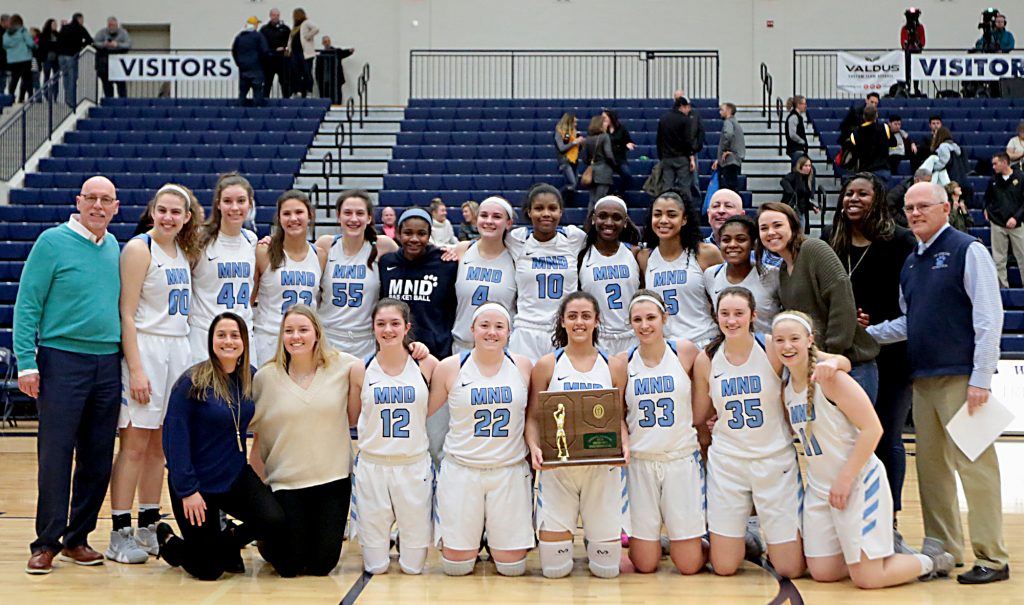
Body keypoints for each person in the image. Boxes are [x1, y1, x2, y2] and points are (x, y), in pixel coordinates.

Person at [867, 182, 1010, 585]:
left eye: (923, 206)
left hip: (964, 378)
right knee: (932, 471)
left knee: (977, 468)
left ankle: (993, 557)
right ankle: (945, 549)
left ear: (946, 208)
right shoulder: (912, 261)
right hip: (923, 379)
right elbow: (909, 323)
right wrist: (867, 336)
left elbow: (988, 317)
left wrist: (981, 377)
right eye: (909, 207)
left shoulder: (970, 250)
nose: (914, 213)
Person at [772, 311, 955, 588]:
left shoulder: (831, 379)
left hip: (858, 481)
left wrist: (845, 479)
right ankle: (869, 554)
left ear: (810, 340)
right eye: (780, 340)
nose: (787, 346)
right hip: (820, 489)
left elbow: (873, 429)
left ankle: (930, 560)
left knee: (868, 580)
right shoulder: (787, 386)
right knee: (824, 572)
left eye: (794, 339)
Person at [15, 176, 123, 575]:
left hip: (108, 362)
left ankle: (78, 537)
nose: (98, 205)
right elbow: (28, 303)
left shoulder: (114, 246)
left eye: (105, 200)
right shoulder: (51, 242)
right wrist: (27, 361)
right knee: (56, 455)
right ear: (79, 202)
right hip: (61, 359)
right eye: (91, 198)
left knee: (97, 457)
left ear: (116, 207)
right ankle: (46, 542)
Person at [692, 287, 827, 578]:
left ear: (753, 315)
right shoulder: (707, 359)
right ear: (716, 317)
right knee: (724, 568)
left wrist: (841, 362)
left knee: (790, 569)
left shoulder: (771, 348)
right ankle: (743, 539)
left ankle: (761, 538)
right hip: (728, 463)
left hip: (774, 460)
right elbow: (698, 415)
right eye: (724, 314)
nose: (731, 320)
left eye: (739, 313)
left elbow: (820, 359)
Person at [106, 185, 201, 565]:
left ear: (187, 217)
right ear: (153, 211)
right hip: (146, 348)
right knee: (133, 446)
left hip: (176, 350)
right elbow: (126, 313)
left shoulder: (183, 252)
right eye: (162, 210)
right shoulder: (138, 249)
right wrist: (137, 368)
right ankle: (118, 531)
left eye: (176, 212)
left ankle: (148, 522)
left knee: (162, 447)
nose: (168, 217)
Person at [158, 312, 287, 581]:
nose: (228, 341)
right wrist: (187, 490)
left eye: (234, 335)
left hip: (234, 477)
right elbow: (174, 440)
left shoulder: (249, 377)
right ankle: (170, 542)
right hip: (197, 485)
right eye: (221, 335)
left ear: (244, 342)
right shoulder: (192, 383)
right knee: (208, 570)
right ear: (211, 341)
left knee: (273, 520)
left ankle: (226, 542)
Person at [827, 174, 917, 545]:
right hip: (849, 359)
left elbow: (909, 307)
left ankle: (890, 518)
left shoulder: (900, 241)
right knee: (847, 440)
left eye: (862, 193)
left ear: (878, 198)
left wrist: (871, 328)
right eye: (848, 193)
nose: (853, 199)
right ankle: (849, 514)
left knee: (887, 438)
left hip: (892, 356)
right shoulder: (832, 244)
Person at [526, 291, 630, 579]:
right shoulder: (547, 364)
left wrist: (625, 443)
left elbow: (619, 418)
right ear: (562, 322)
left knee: (607, 571)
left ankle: (595, 536)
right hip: (558, 472)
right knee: (555, 571)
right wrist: (534, 446)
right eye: (572, 316)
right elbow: (533, 417)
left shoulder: (614, 366)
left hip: (602, 470)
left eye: (586, 316)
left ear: (597, 321)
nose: (579, 322)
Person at [248, 305, 358, 577]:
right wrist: (257, 498)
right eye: (289, 331)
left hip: (332, 481)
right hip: (286, 483)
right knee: (289, 565)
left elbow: (357, 414)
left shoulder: (345, 367)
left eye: (303, 330)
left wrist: (420, 353)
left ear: (317, 334)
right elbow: (258, 437)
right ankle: (267, 537)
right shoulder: (265, 378)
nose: (296, 336)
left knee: (322, 565)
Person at [429, 302, 534, 577]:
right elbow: (423, 411)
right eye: (484, 326)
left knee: (512, 568)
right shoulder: (450, 367)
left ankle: (493, 537)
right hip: (462, 470)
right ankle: (475, 539)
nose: (491, 332)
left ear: (509, 331)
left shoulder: (523, 366)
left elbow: (534, 416)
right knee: (456, 567)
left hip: (508, 471)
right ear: (472, 329)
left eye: (499, 326)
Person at [346, 299, 437, 575]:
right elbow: (352, 417)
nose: (388, 330)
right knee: (376, 567)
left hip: (413, 465)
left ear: (407, 327)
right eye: (381, 324)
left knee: (413, 568)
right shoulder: (360, 369)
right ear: (372, 328)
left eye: (395, 323)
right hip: (373, 466)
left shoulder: (427, 364)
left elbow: (431, 410)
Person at [757, 201, 880, 401]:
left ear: (793, 226)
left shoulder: (814, 249)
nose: (771, 232)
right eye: (764, 228)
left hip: (850, 364)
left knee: (857, 431)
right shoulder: (783, 271)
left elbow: (841, 300)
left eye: (777, 225)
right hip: (819, 365)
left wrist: (832, 353)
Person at [619, 290, 705, 575]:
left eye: (651, 318)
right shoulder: (622, 362)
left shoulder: (685, 351)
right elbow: (618, 415)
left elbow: (705, 398)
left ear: (664, 318)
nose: (645, 325)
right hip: (641, 463)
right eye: (638, 320)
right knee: (645, 564)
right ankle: (660, 538)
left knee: (690, 565)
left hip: (680, 459)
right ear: (630, 323)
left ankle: (719, 536)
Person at [506, 184, 587, 360]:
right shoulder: (517, 240)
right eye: (538, 208)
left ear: (561, 212)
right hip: (527, 329)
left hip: (564, 328)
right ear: (528, 212)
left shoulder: (574, 238)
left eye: (552, 208)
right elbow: (486, 241)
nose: (546, 214)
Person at [316, 190, 398, 358]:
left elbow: (414, 259)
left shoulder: (383, 245)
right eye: (347, 213)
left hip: (367, 341)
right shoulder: (326, 245)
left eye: (360, 213)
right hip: (328, 339)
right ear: (338, 216)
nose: (353, 219)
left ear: (369, 218)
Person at [189, 174, 258, 363]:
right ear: (218, 204)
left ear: (250, 203)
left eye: (241, 201)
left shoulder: (251, 240)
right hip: (205, 334)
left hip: (241, 335)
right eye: (228, 201)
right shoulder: (199, 239)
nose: (234, 207)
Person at [639, 191, 722, 347]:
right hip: (666, 346)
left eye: (671, 215)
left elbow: (723, 301)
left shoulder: (706, 253)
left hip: (703, 341)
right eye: (657, 214)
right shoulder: (645, 257)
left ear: (684, 219)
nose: (663, 220)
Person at [252, 190, 324, 366]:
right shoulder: (263, 252)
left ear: (310, 215)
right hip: (269, 339)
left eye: (299, 212)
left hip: (305, 341)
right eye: (286, 213)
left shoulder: (320, 255)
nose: (293, 218)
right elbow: (249, 299)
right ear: (279, 218)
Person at [378, 208, 459, 358]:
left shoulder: (446, 264)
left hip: (435, 351)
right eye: (408, 233)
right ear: (398, 233)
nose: (414, 239)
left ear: (429, 235)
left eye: (421, 233)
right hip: (395, 349)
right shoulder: (386, 263)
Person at [447, 196, 518, 354]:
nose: (489, 221)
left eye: (497, 217)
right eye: (484, 215)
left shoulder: (515, 258)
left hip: (501, 349)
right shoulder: (462, 250)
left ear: (509, 223)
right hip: (462, 346)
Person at [577, 195, 643, 354]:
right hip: (596, 337)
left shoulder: (635, 253)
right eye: (602, 216)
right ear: (594, 219)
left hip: (633, 336)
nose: (609, 222)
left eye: (616, 217)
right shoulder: (581, 255)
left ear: (625, 222)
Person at [703, 215, 780, 334]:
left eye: (741, 239)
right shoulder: (711, 275)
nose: (732, 244)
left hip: (765, 349)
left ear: (753, 244)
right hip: (728, 349)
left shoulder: (773, 275)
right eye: (726, 240)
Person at [984, 152, 1024, 289]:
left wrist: (1016, 217)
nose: (993, 166)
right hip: (997, 223)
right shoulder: (993, 180)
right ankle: (1002, 288)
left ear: (1005, 162)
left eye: (996, 163)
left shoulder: (1021, 177)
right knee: (999, 259)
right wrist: (986, 210)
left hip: (1017, 224)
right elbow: (987, 198)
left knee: (1023, 256)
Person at [656, 96, 698, 196]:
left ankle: (666, 208)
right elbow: (688, 140)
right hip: (682, 158)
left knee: (667, 187)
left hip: (667, 157)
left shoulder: (663, 119)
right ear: (682, 106)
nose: (688, 110)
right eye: (687, 107)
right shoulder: (685, 120)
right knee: (684, 187)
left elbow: (659, 140)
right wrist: (691, 158)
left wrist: (661, 157)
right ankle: (686, 209)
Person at [580, 115, 618, 208]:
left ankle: (589, 220)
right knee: (599, 200)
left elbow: (584, 158)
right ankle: (595, 221)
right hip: (604, 171)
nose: (606, 125)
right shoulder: (605, 137)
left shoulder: (588, 139)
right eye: (604, 123)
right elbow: (608, 154)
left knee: (592, 199)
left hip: (592, 171)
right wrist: (615, 165)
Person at [232, 17, 270, 107]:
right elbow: (264, 51)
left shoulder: (239, 37)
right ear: (255, 25)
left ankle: (239, 113)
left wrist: (239, 63)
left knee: (242, 93)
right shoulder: (258, 36)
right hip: (256, 68)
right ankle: (257, 114)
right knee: (257, 93)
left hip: (243, 69)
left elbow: (234, 51)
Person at [848, 105, 894, 178]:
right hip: (883, 169)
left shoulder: (855, 133)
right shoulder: (884, 127)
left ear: (864, 116)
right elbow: (893, 143)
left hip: (866, 171)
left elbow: (854, 153)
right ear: (876, 115)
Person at [56, 12, 91, 105]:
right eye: (82, 19)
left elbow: (58, 40)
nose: (83, 22)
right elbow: (89, 40)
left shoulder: (65, 27)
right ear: (79, 19)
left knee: (65, 77)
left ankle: (67, 99)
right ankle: (71, 102)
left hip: (61, 55)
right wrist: (81, 45)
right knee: (72, 78)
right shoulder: (80, 28)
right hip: (72, 55)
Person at [93, 16, 130, 98]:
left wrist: (117, 45)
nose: (112, 27)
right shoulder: (101, 32)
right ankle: (109, 101)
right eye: (110, 25)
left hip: (119, 65)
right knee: (107, 86)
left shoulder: (123, 33)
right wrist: (104, 44)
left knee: (121, 86)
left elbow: (128, 44)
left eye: (113, 25)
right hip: (104, 65)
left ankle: (123, 102)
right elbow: (95, 43)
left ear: (117, 25)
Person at [780, 155, 818, 233]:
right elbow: (784, 181)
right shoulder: (794, 175)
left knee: (800, 232)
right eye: (805, 166)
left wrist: (812, 206)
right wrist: (791, 192)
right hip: (792, 208)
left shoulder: (809, 180)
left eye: (809, 166)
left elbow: (805, 198)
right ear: (800, 166)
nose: (808, 168)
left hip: (801, 209)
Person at [713, 102, 745, 192]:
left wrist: (725, 150)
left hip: (730, 159)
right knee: (733, 185)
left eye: (722, 110)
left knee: (729, 187)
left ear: (728, 111)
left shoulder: (728, 122)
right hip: (736, 158)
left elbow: (728, 134)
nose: (720, 112)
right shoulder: (735, 123)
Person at [3, 15, 35, 102]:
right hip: (25, 59)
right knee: (27, 79)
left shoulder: (7, 33)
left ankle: (11, 98)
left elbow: (4, 45)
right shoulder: (23, 31)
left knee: (14, 79)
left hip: (12, 60)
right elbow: (30, 43)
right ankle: (26, 97)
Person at [259, 8, 290, 98]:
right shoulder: (264, 29)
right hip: (269, 60)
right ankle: (264, 101)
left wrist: (284, 48)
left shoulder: (285, 29)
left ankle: (286, 101)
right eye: (274, 15)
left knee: (284, 82)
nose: (275, 17)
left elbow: (290, 42)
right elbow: (261, 43)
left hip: (282, 59)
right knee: (267, 82)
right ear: (270, 16)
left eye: (277, 15)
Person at [287, 8, 318, 98]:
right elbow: (291, 39)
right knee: (296, 73)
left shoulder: (306, 23)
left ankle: (309, 91)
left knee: (307, 72)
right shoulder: (294, 27)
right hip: (295, 53)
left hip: (305, 53)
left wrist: (308, 36)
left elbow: (316, 28)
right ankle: (298, 90)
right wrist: (289, 49)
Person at [603, 109, 635, 195]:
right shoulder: (602, 130)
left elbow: (628, 140)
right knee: (605, 177)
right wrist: (603, 130)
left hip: (619, 158)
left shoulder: (621, 128)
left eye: (605, 118)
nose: (603, 119)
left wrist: (628, 144)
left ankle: (619, 192)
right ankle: (608, 194)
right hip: (607, 160)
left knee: (627, 174)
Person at [554, 112, 584, 201]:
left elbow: (578, 149)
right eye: (574, 122)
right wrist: (574, 142)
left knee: (573, 186)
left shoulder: (575, 133)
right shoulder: (560, 133)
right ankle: (555, 197)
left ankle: (562, 202)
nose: (576, 124)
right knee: (572, 183)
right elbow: (562, 148)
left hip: (574, 160)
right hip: (565, 160)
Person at [315, 35, 353, 104]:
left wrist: (350, 51)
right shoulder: (320, 55)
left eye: (328, 41)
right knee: (325, 96)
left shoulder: (336, 51)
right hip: (325, 80)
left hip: (335, 80)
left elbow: (344, 53)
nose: (327, 43)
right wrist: (318, 80)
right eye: (325, 42)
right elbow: (317, 69)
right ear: (323, 43)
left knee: (336, 95)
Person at [785, 96, 809, 165]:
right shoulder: (794, 117)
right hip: (796, 149)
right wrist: (802, 141)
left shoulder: (797, 116)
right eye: (804, 104)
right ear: (798, 105)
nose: (805, 106)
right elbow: (792, 134)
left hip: (798, 149)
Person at [37, 18, 59, 88]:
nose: (56, 26)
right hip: (47, 58)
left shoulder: (57, 35)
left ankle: (55, 94)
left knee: (56, 77)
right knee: (46, 76)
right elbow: (43, 45)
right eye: (54, 24)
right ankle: (46, 93)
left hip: (56, 59)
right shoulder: (44, 35)